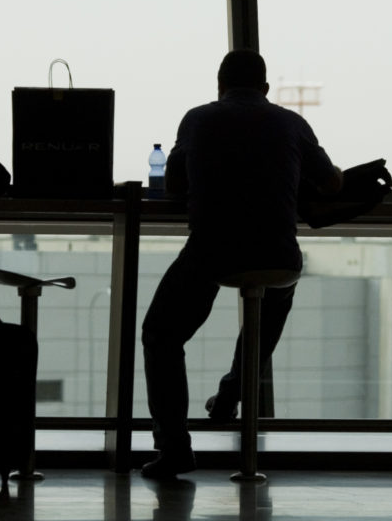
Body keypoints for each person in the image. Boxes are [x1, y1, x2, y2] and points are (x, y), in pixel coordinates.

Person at [140, 49, 343, 478]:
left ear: (219, 86)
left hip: (212, 250)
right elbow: (331, 182)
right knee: (272, 301)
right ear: (267, 89)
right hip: (279, 256)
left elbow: (175, 182)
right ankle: (232, 392)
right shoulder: (291, 122)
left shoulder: (198, 119)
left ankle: (174, 447)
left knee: (161, 335)